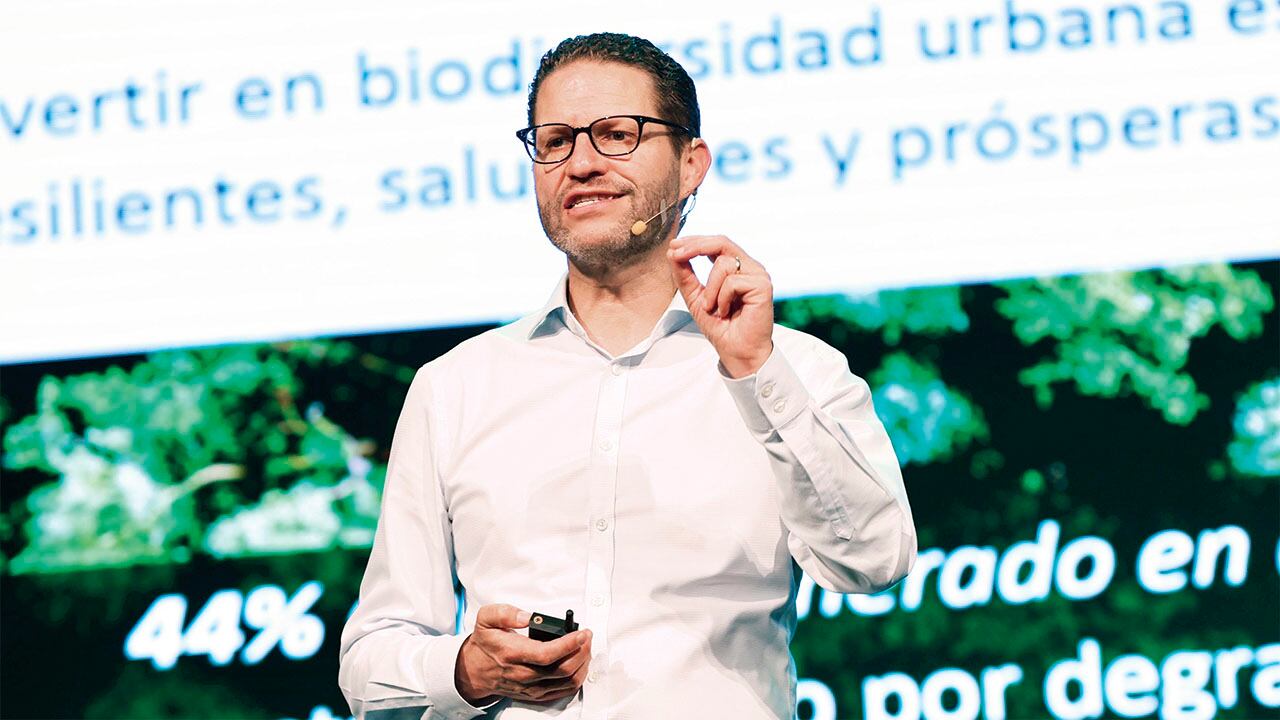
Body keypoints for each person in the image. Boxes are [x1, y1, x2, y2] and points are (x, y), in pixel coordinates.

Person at [338, 32, 916, 720]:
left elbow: (874, 562)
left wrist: (756, 370)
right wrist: (465, 668)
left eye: (617, 134)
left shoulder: (794, 369)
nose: (580, 163)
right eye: (554, 142)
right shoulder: (455, 386)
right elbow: (369, 664)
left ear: (691, 164)